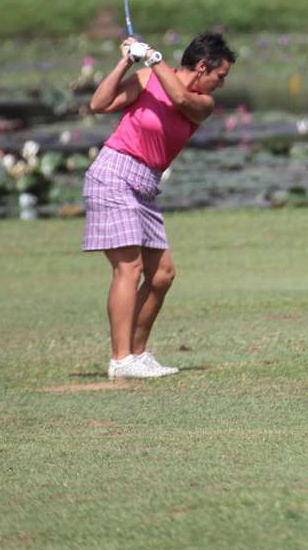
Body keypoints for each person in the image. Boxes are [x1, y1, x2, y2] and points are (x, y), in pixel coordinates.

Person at [83, 30, 237, 378]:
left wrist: (152, 56)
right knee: (129, 268)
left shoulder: (202, 103)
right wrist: (126, 60)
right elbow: (99, 104)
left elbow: (181, 100)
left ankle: (136, 354)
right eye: (220, 76)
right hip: (114, 174)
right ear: (202, 67)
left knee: (162, 275)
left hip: (145, 185)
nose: (221, 84)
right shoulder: (146, 77)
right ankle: (121, 360)